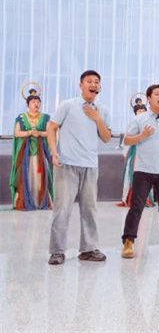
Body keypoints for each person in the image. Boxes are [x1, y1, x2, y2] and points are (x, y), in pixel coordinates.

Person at [46, 70, 112, 265]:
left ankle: (88, 249)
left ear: (99, 87)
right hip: (66, 164)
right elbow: (51, 127)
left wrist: (97, 119)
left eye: (97, 82)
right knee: (62, 209)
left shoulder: (102, 110)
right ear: (81, 85)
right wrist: (54, 152)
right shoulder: (68, 105)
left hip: (90, 166)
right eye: (89, 81)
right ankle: (57, 251)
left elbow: (106, 138)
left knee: (90, 209)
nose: (93, 84)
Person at [120, 84, 159, 258]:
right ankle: (128, 242)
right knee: (136, 207)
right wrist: (142, 136)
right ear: (149, 99)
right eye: (156, 93)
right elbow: (126, 140)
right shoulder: (140, 119)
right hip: (143, 170)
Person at [10, 84, 53, 210]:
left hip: (40, 153)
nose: (36, 104)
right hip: (26, 153)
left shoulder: (45, 117)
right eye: (33, 102)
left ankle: (39, 201)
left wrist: (39, 133)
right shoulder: (21, 118)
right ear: (28, 104)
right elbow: (17, 133)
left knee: (40, 176)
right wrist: (29, 133)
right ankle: (25, 201)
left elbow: (49, 133)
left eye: (38, 102)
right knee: (26, 175)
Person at [117, 95, 154, 208]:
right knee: (132, 174)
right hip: (135, 152)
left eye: (143, 110)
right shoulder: (133, 123)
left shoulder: (150, 123)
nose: (141, 112)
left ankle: (145, 199)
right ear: (135, 113)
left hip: (147, 152)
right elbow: (127, 138)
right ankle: (131, 198)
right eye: (139, 111)